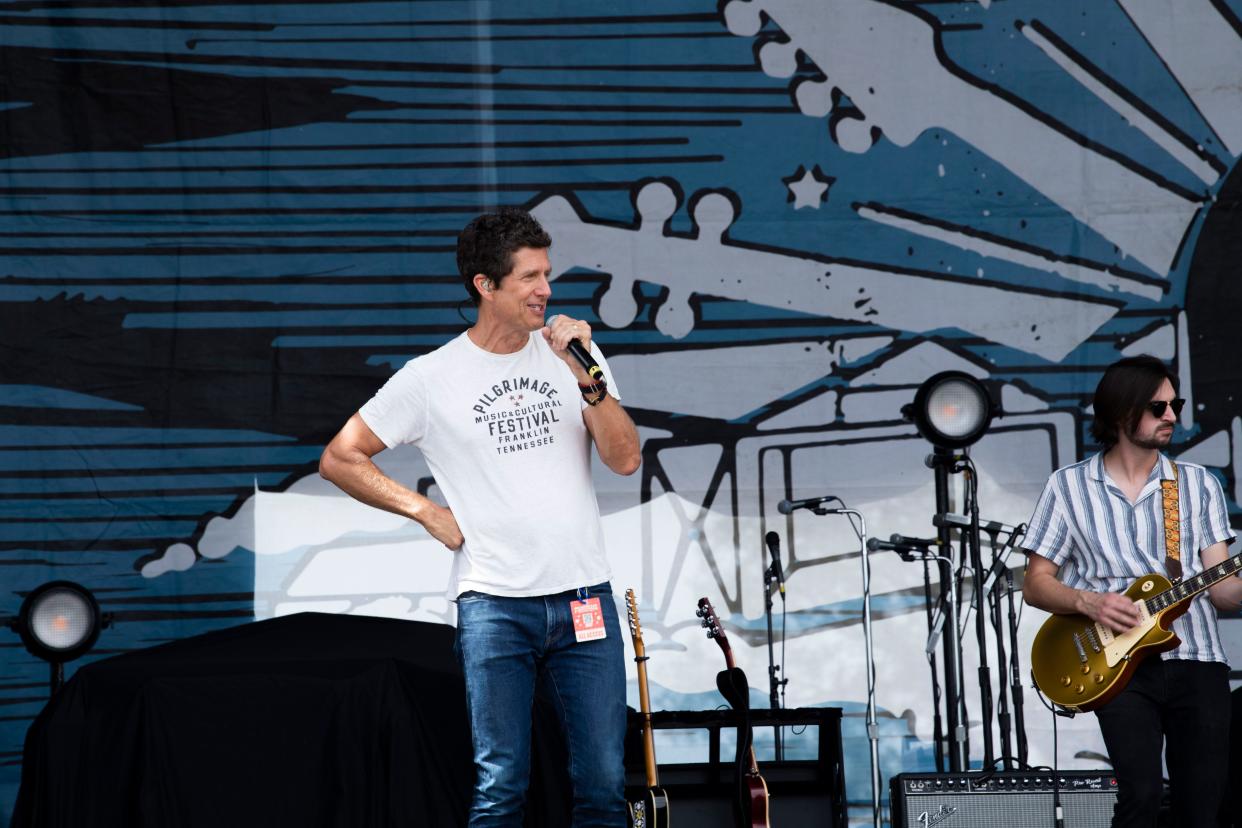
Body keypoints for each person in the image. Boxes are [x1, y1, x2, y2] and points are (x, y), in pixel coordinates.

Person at [319, 206, 641, 827]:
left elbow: (625, 459)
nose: (546, 289)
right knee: (501, 786)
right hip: (494, 602)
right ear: (484, 286)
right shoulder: (430, 377)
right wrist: (423, 511)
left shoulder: (575, 355)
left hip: (584, 596)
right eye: (528, 277)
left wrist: (586, 372)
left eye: (546, 274)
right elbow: (340, 457)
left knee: (603, 783)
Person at [1022, 354, 1242, 827]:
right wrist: (1089, 601)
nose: (1172, 416)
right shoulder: (1068, 487)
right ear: (1123, 414)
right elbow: (1036, 585)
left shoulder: (1197, 484)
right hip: (1117, 665)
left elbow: (1222, 590)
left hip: (1198, 660)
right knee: (1139, 797)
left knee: (1202, 808)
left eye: (1174, 404)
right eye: (1158, 407)